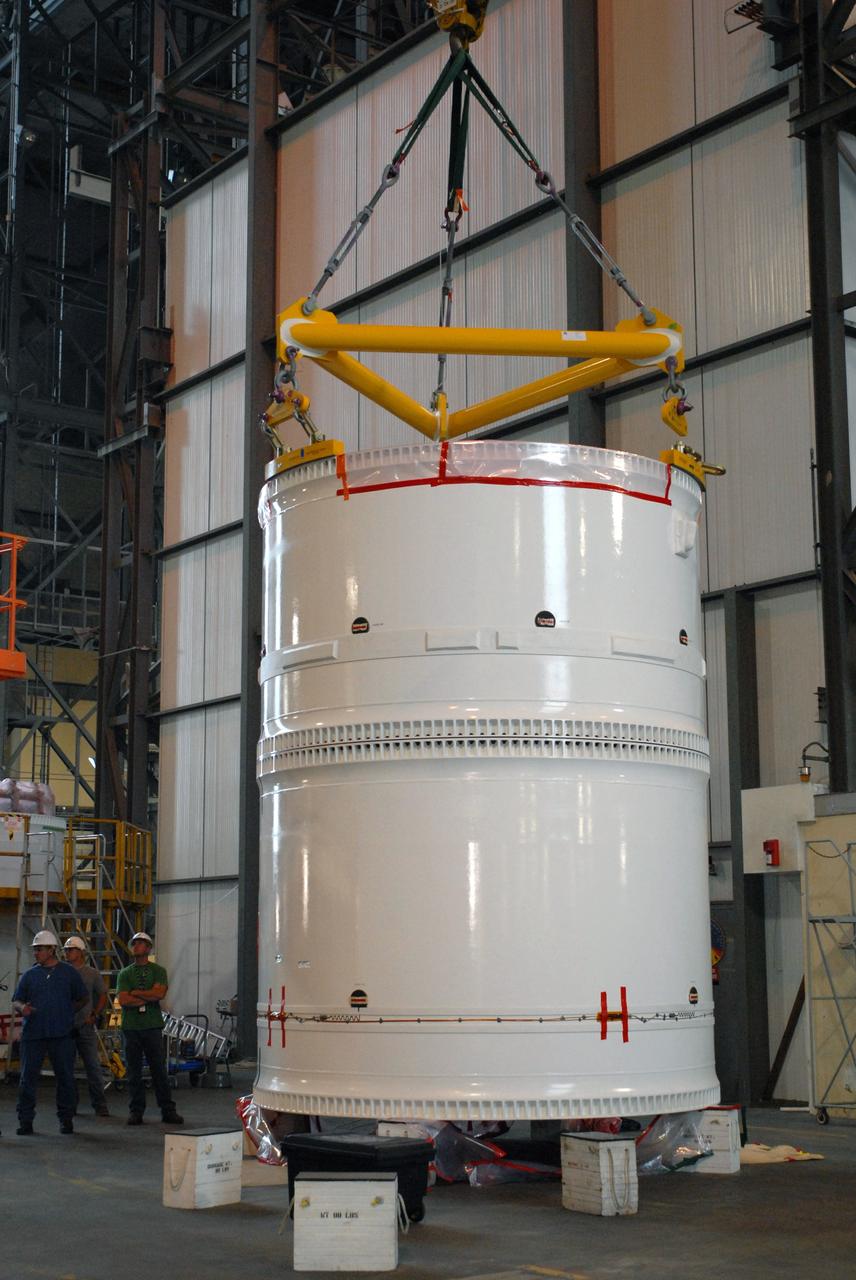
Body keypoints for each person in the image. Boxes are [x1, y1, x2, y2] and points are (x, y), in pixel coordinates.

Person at [12, 929, 87, 1135]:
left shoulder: (68, 973)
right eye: (35, 950)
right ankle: (25, 1120)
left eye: (39, 949)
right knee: (28, 1078)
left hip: (61, 1034)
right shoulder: (29, 976)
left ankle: (66, 1119)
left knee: (65, 1077)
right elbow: (16, 1000)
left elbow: (83, 997)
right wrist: (23, 1008)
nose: (35, 953)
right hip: (33, 1034)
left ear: (52, 950)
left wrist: (67, 1011)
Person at [116, 931, 183, 1126]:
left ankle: (168, 1110)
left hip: (152, 1027)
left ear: (148, 947)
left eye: (140, 943)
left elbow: (159, 994)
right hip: (131, 1028)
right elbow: (124, 999)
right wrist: (147, 994)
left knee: (159, 1071)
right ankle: (136, 1111)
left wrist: (136, 992)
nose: (136, 946)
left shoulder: (158, 971)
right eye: (134, 943)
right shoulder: (125, 973)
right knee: (133, 1071)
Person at [62, 936, 109, 1117]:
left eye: (71, 949)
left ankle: (100, 1104)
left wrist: (95, 1014)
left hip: (85, 1027)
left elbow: (102, 994)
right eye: (66, 950)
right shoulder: (62, 972)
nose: (67, 952)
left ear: (81, 952)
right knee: (67, 1068)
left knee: (93, 1067)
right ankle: (70, 1105)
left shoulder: (91, 973)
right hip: (66, 1027)